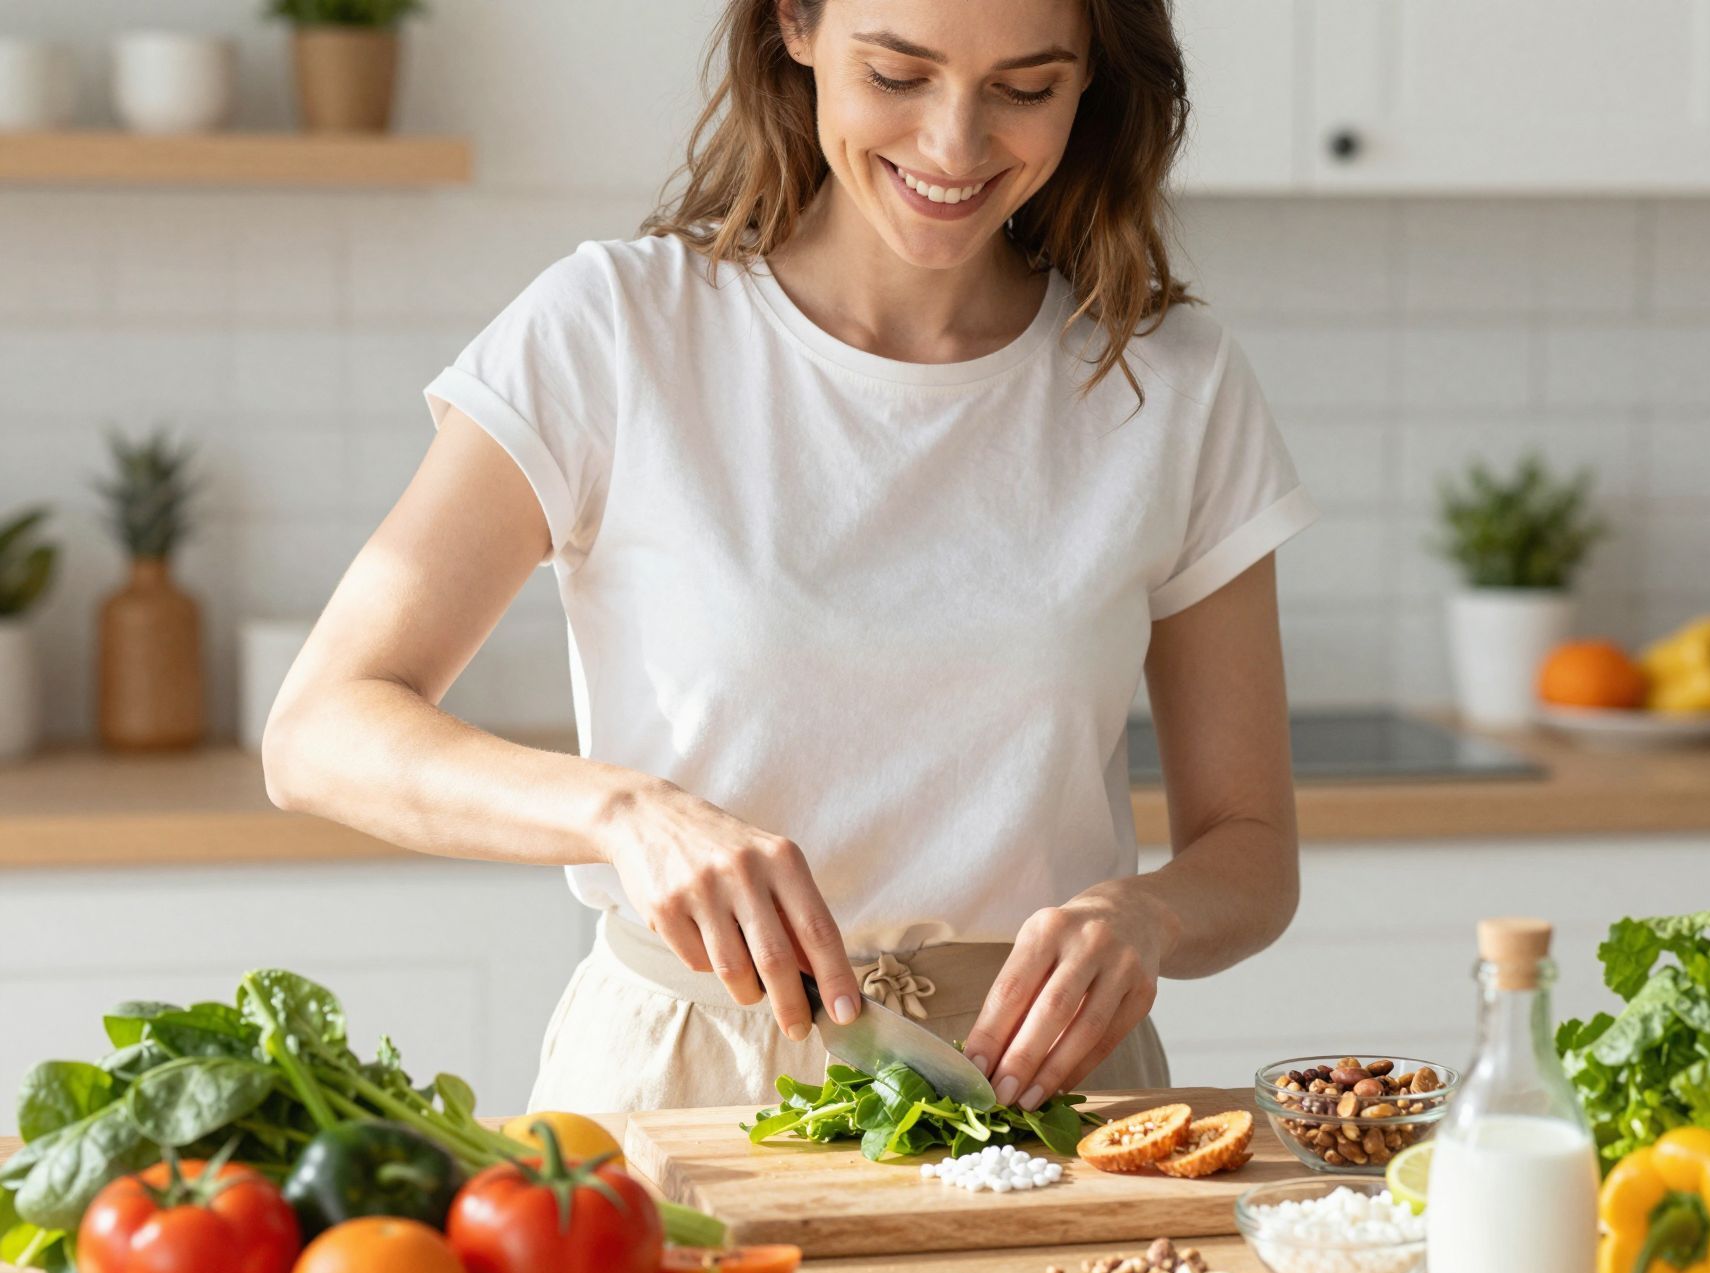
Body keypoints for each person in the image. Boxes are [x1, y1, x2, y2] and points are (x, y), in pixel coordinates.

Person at [264, 0, 1315, 1116]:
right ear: (794, 29)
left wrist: (1147, 916)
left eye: (1025, 89)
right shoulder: (614, 330)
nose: (953, 144)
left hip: (1047, 1095)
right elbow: (320, 730)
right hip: (685, 1084)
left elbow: (1250, 849)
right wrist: (626, 814)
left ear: (1092, 77)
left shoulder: (1169, 381)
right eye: (898, 76)